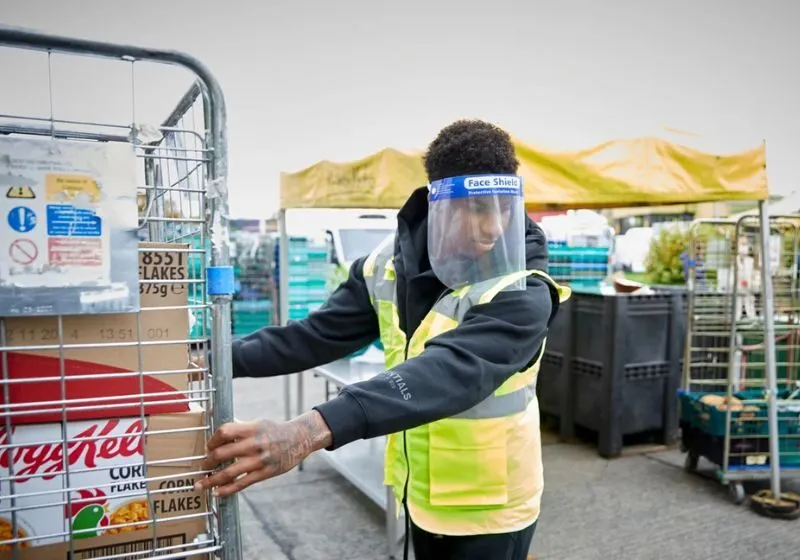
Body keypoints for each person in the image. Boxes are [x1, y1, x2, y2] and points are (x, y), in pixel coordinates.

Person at [195, 119, 570, 560]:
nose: (493, 226)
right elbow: (316, 335)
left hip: (491, 507)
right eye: (477, 208)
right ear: (440, 203)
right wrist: (212, 359)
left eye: (503, 207)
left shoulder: (523, 288)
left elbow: (452, 371)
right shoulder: (386, 266)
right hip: (420, 492)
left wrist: (309, 429)